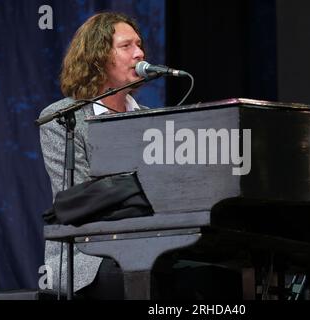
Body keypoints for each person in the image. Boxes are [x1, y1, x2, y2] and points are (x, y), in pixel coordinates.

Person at [39, 12, 242, 300]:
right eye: (126, 46)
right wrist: (139, 191)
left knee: (219, 278)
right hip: (89, 253)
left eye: (139, 45)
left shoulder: (152, 119)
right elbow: (76, 199)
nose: (139, 53)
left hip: (155, 242)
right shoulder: (62, 118)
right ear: (97, 57)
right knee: (139, 281)